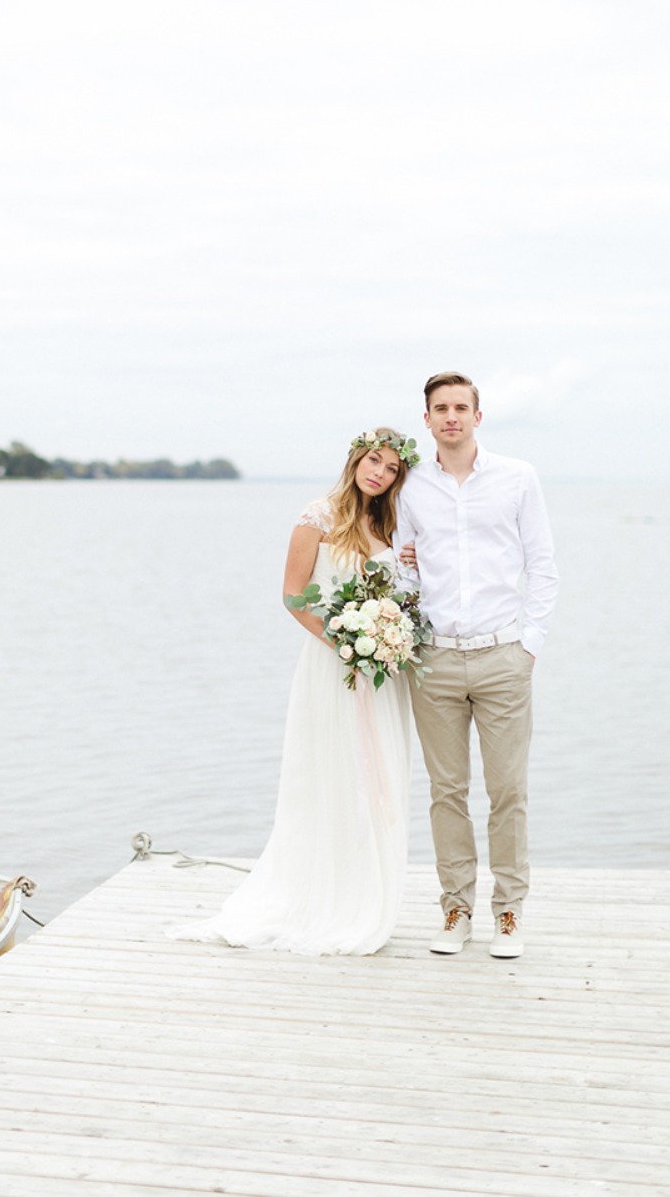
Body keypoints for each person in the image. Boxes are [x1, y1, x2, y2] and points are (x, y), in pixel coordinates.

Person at [169, 428, 419, 955]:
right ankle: (323, 897)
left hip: (380, 675)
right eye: (374, 461)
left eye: (392, 469)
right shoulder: (318, 516)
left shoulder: (388, 523)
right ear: (356, 459)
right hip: (335, 665)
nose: (380, 473)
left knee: (379, 779)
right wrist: (347, 641)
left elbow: (397, 592)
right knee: (331, 776)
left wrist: (387, 633)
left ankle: (367, 891)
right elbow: (292, 597)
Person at [395, 371, 559, 959]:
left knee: (508, 789)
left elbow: (542, 565)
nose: (451, 417)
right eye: (440, 408)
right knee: (446, 791)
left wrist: (529, 644)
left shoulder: (518, 478)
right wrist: (402, 566)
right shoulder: (410, 487)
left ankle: (509, 912)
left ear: (478, 416)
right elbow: (405, 571)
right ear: (427, 419)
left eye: (461, 407)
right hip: (434, 660)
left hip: (503, 658)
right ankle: (455, 909)